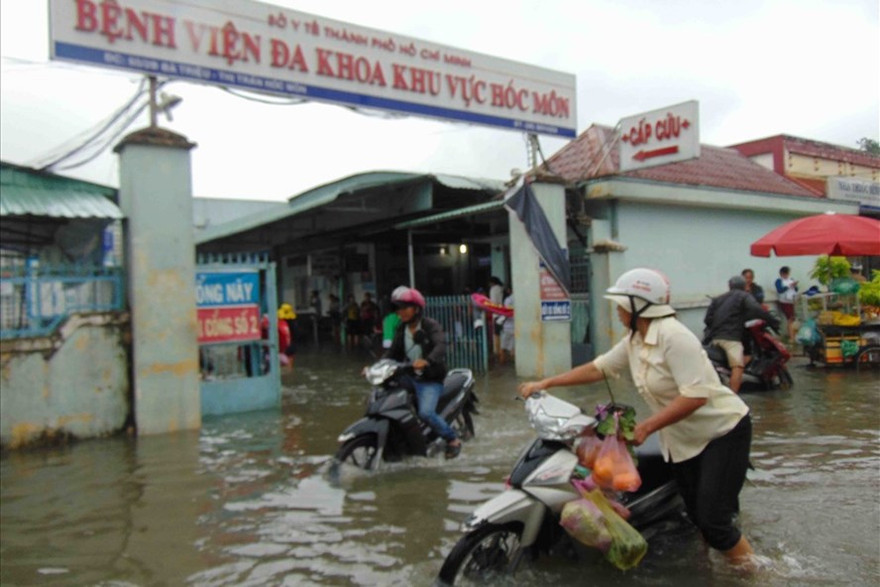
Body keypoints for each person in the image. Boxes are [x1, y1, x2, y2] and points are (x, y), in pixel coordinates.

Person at [518, 268, 755, 568]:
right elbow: (598, 368)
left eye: (621, 305)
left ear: (638, 305)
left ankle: (757, 574)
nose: (617, 311)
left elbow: (697, 395)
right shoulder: (636, 339)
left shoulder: (674, 336)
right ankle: (711, 570)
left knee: (715, 521)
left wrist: (646, 426)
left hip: (722, 432)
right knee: (697, 516)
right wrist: (546, 383)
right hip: (682, 439)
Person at [383, 285, 462, 459]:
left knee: (425, 413)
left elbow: (441, 345)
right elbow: (391, 354)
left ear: (416, 309)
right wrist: (376, 367)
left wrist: (427, 361)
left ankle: (452, 439)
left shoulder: (429, 325)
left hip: (429, 379)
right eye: (398, 308)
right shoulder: (400, 329)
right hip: (409, 377)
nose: (401, 312)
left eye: (405, 307)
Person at [704, 276, 780, 393]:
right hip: (731, 339)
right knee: (738, 366)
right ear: (745, 286)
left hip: (715, 338)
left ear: (730, 286)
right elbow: (757, 309)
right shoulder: (743, 296)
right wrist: (773, 322)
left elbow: (708, 320)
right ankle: (733, 398)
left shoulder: (718, 299)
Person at [774, 266, 799, 341]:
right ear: (781, 274)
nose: (786, 275)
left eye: (787, 274)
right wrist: (788, 286)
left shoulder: (791, 279)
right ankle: (792, 337)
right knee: (790, 318)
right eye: (785, 274)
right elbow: (780, 290)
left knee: (792, 318)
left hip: (791, 300)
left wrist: (794, 286)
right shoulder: (778, 281)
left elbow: (796, 289)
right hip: (784, 301)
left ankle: (793, 336)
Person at [488, 276, 504, 360]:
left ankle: (498, 351)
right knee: (502, 333)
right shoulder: (501, 288)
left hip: (496, 314)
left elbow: (493, 302)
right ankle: (503, 350)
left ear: (492, 282)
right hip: (503, 312)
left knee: (496, 334)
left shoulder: (493, 289)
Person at [278, 303, 297, 369]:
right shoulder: (294, 322)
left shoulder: (280, 322)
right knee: (289, 366)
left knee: (280, 367)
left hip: (282, 345)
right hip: (291, 346)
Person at [499, 288, 515, 365]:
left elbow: (504, 312)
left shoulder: (508, 300)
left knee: (503, 346)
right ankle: (514, 364)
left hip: (507, 326)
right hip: (516, 326)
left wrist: (500, 321)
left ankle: (502, 362)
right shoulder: (520, 298)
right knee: (513, 346)